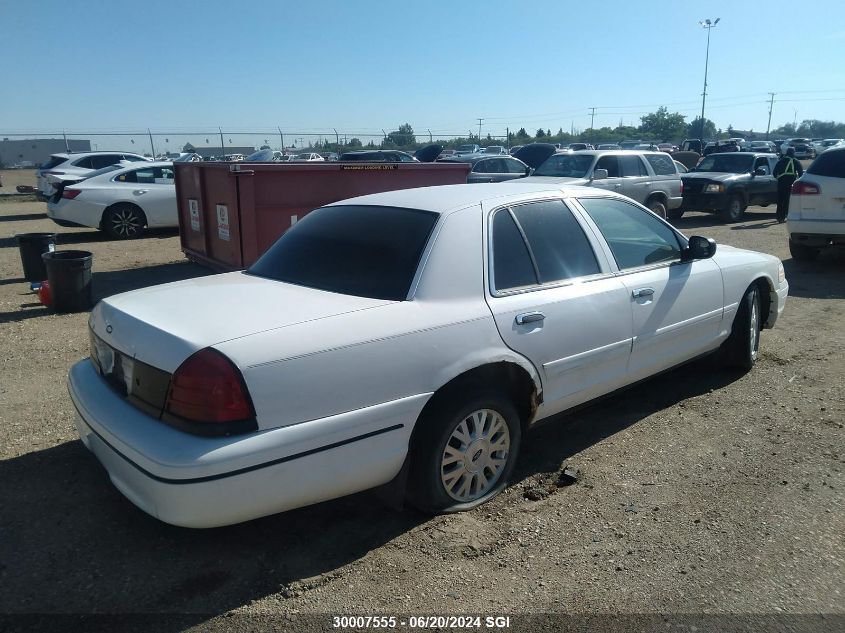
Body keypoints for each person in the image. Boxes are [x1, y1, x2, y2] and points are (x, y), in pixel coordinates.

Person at [773, 147, 804, 223]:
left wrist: (779, 178)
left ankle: (779, 217)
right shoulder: (795, 161)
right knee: (788, 200)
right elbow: (801, 173)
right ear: (793, 152)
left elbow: (774, 173)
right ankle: (785, 215)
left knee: (780, 200)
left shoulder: (781, 161)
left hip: (781, 183)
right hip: (790, 183)